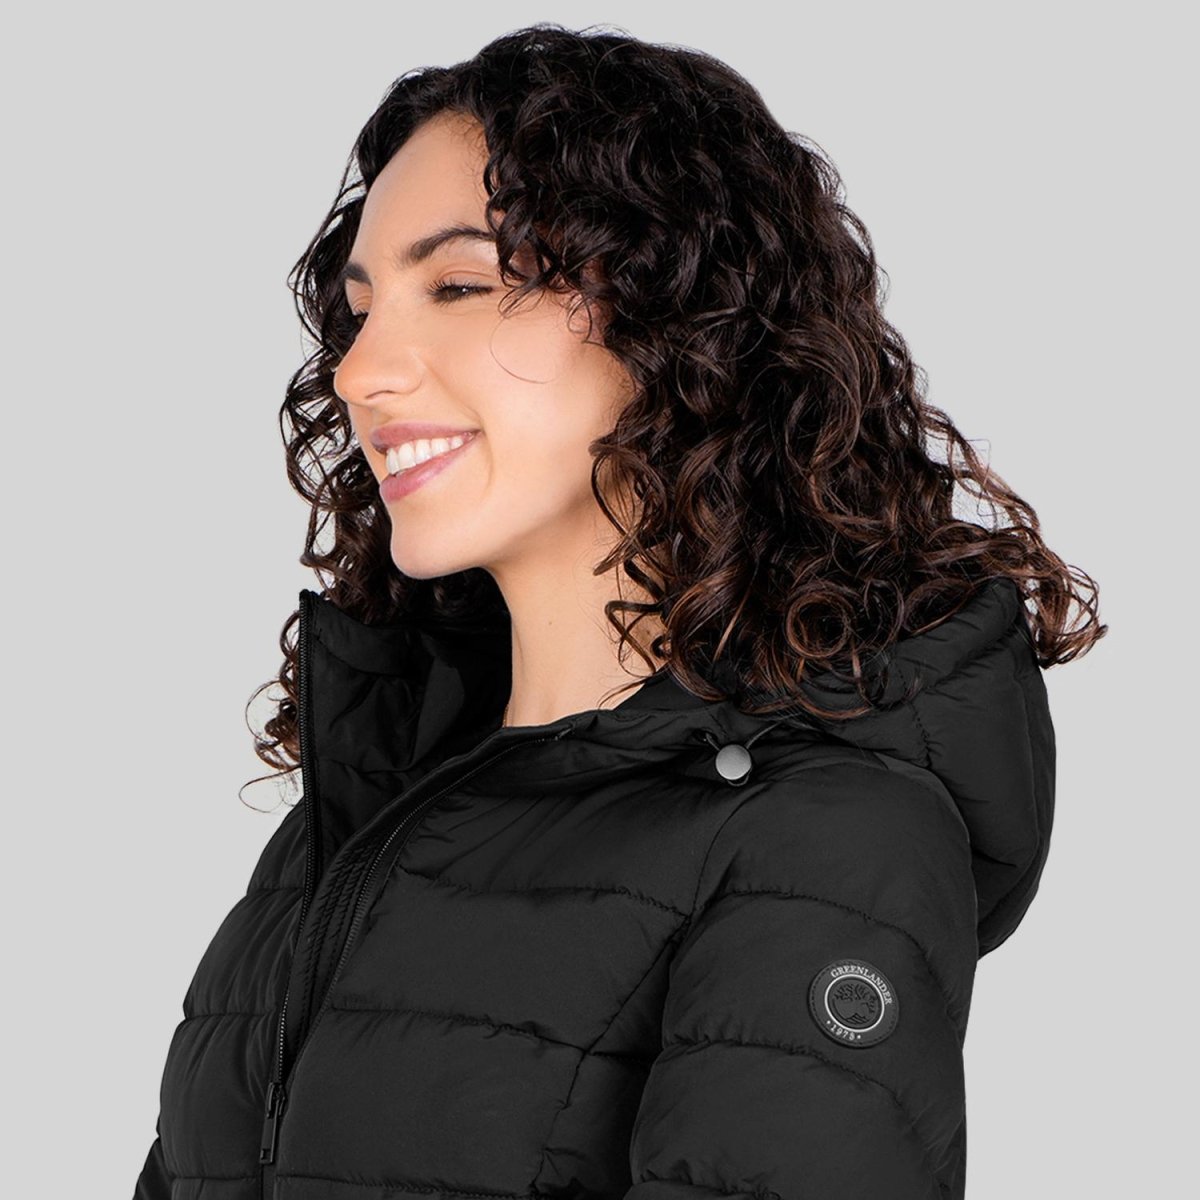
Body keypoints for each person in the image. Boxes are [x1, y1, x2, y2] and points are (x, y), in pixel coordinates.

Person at [133, 23, 1104, 1200]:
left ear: (678, 321)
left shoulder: (819, 839)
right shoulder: (361, 821)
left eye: (459, 286)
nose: (360, 370)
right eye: (362, 308)